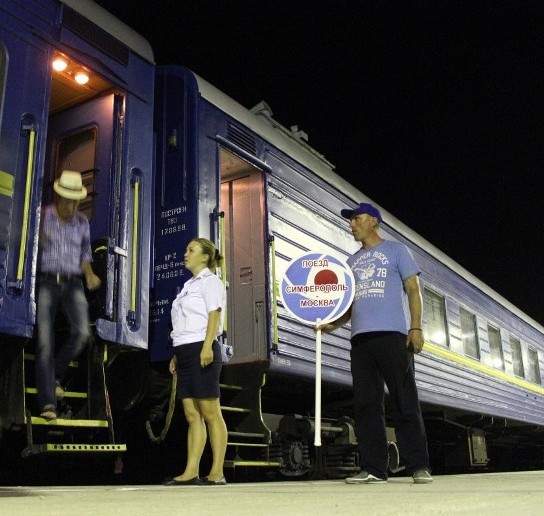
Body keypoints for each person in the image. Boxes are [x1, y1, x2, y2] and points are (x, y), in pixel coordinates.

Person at [320, 202, 432, 484]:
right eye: (351, 221)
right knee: (366, 405)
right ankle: (373, 469)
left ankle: (418, 466)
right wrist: (331, 325)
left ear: (373, 221)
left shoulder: (396, 251)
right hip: (361, 340)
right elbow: (348, 306)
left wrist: (415, 327)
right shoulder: (350, 262)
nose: (351, 225)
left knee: (404, 400)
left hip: (393, 335)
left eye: (356, 219)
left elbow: (413, 289)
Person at [162, 238, 228, 486]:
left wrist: (207, 346)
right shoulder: (188, 285)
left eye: (191, 250)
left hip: (203, 347)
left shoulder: (210, 281)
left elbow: (214, 314)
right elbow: (184, 323)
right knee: (191, 415)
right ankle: (191, 471)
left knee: (210, 412)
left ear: (205, 257)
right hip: (186, 351)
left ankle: (217, 472)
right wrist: (177, 355)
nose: (185, 253)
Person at [36, 170, 101, 420]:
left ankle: (55, 376)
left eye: (76, 201)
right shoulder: (43, 217)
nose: (73, 206)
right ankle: (48, 404)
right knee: (44, 342)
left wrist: (90, 274)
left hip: (73, 282)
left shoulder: (82, 222)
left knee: (82, 333)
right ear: (58, 197)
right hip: (47, 281)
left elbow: (85, 254)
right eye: (69, 200)